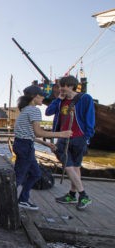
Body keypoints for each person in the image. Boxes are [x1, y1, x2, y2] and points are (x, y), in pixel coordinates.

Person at [14, 85, 72, 210]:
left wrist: (46, 143)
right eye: (41, 97)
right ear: (34, 97)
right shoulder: (34, 110)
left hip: (22, 144)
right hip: (25, 147)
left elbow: (28, 134)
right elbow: (38, 132)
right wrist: (61, 134)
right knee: (19, 176)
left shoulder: (24, 110)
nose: (43, 99)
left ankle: (23, 199)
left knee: (36, 173)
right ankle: (9, 202)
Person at [45, 75, 95, 210]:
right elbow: (48, 112)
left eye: (63, 86)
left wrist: (87, 137)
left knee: (75, 167)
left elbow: (90, 118)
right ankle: (83, 195)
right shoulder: (60, 101)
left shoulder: (85, 98)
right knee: (68, 165)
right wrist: (58, 100)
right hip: (63, 137)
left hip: (79, 138)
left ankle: (73, 195)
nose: (61, 89)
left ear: (71, 86)